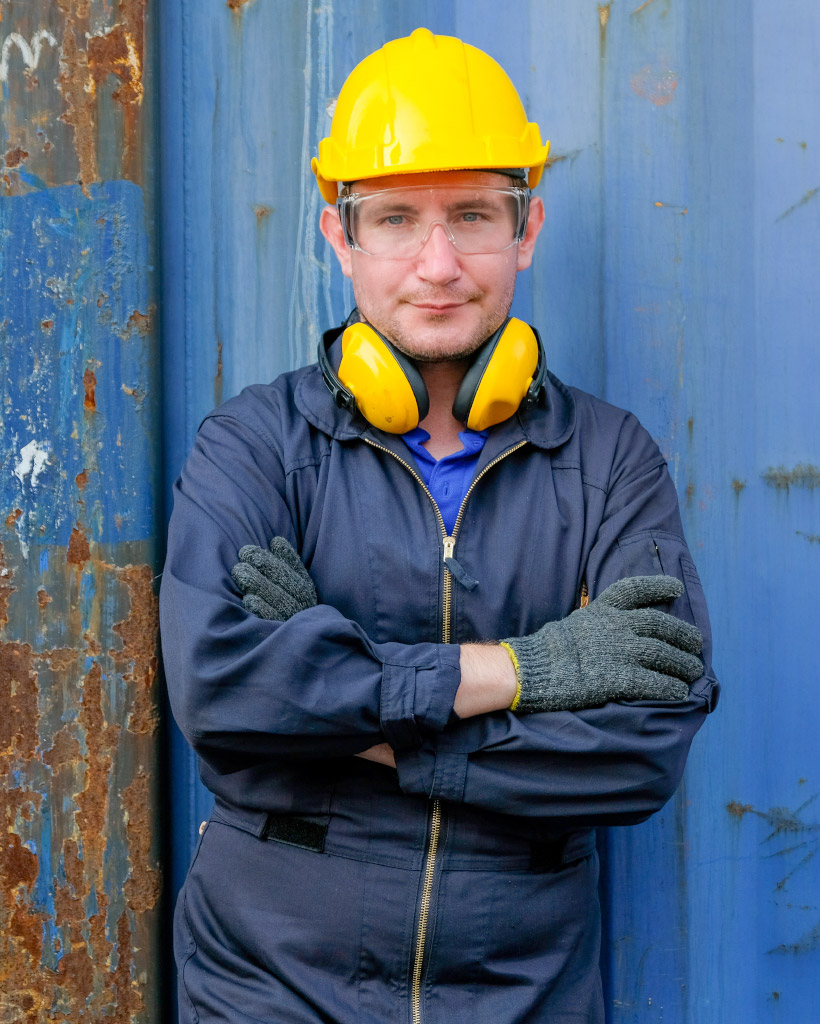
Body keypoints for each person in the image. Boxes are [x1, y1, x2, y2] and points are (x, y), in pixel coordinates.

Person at [161, 27, 718, 1024]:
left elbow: (640, 747)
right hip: (270, 988)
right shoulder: (254, 445)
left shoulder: (610, 460)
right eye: (394, 219)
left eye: (472, 215)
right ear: (340, 237)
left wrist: (345, 713)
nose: (438, 262)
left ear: (526, 228)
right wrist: (526, 670)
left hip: (522, 995)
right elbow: (224, 695)